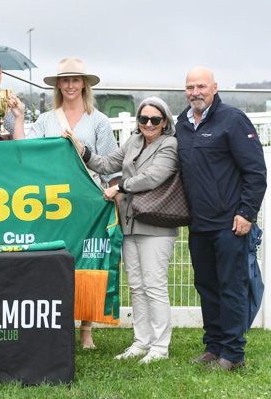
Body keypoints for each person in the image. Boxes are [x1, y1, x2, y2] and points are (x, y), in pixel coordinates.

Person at [71, 97, 179, 363]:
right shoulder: (133, 142)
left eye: (155, 119)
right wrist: (80, 149)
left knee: (154, 285)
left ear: (165, 121)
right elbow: (106, 164)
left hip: (158, 224)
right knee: (138, 286)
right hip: (130, 223)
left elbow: (154, 176)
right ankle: (141, 342)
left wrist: (119, 187)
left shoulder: (170, 145)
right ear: (138, 121)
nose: (149, 124)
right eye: (144, 119)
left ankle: (160, 346)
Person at [25, 57, 121, 349]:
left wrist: (113, 191)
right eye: (64, 80)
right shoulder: (45, 120)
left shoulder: (99, 121)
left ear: (84, 84)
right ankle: (57, 324)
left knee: (87, 259)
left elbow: (111, 164)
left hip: (89, 200)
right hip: (52, 202)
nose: (69, 85)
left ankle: (86, 328)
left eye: (75, 79)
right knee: (55, 259)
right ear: (58, 85)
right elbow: (29, 155)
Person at [176, 67, 267, 371]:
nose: (195, 92)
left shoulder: (233, 119)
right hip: (198, 224)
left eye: (201, 86)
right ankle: (213, 346)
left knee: (232, 286)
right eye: (190, 87)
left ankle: (233, 353)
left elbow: (256, 172)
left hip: (230, 223)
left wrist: (246, 213)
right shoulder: (182, 124)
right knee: (206, 286)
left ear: (215, 88)